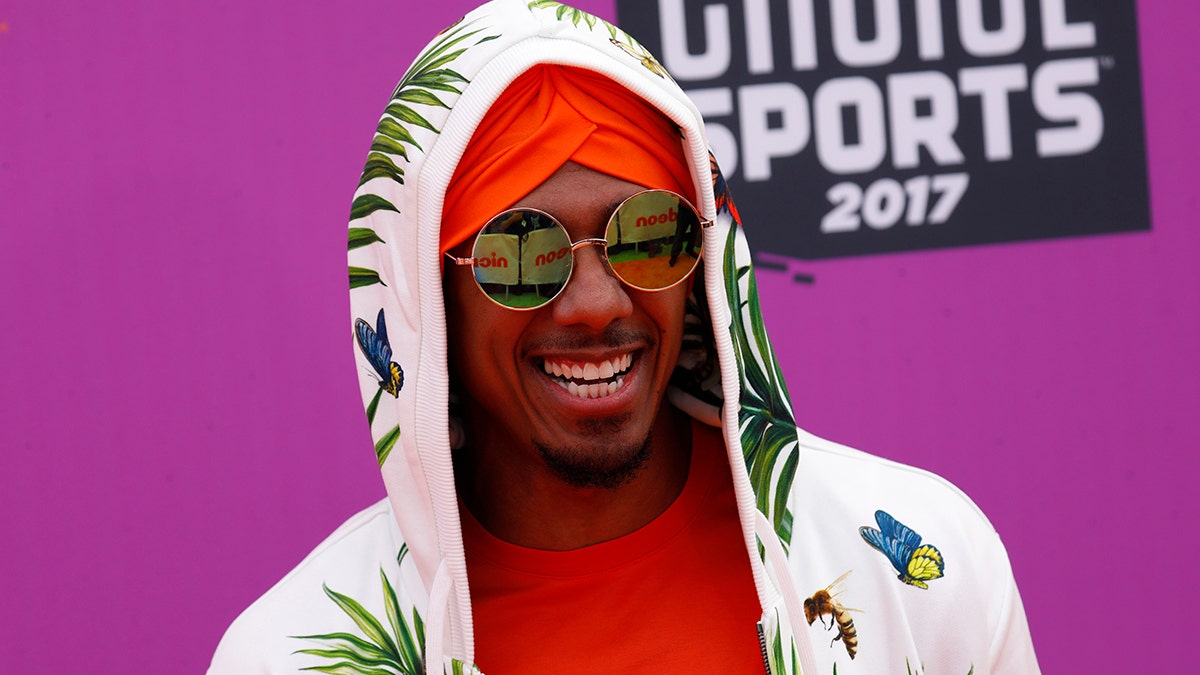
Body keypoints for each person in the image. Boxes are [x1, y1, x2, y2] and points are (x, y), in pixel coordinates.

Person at [210, 1, 1040, 673]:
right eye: (521, 251)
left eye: (647, 234)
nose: (595, 304)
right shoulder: (292, 653)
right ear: (429, 298)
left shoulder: (919, 559)